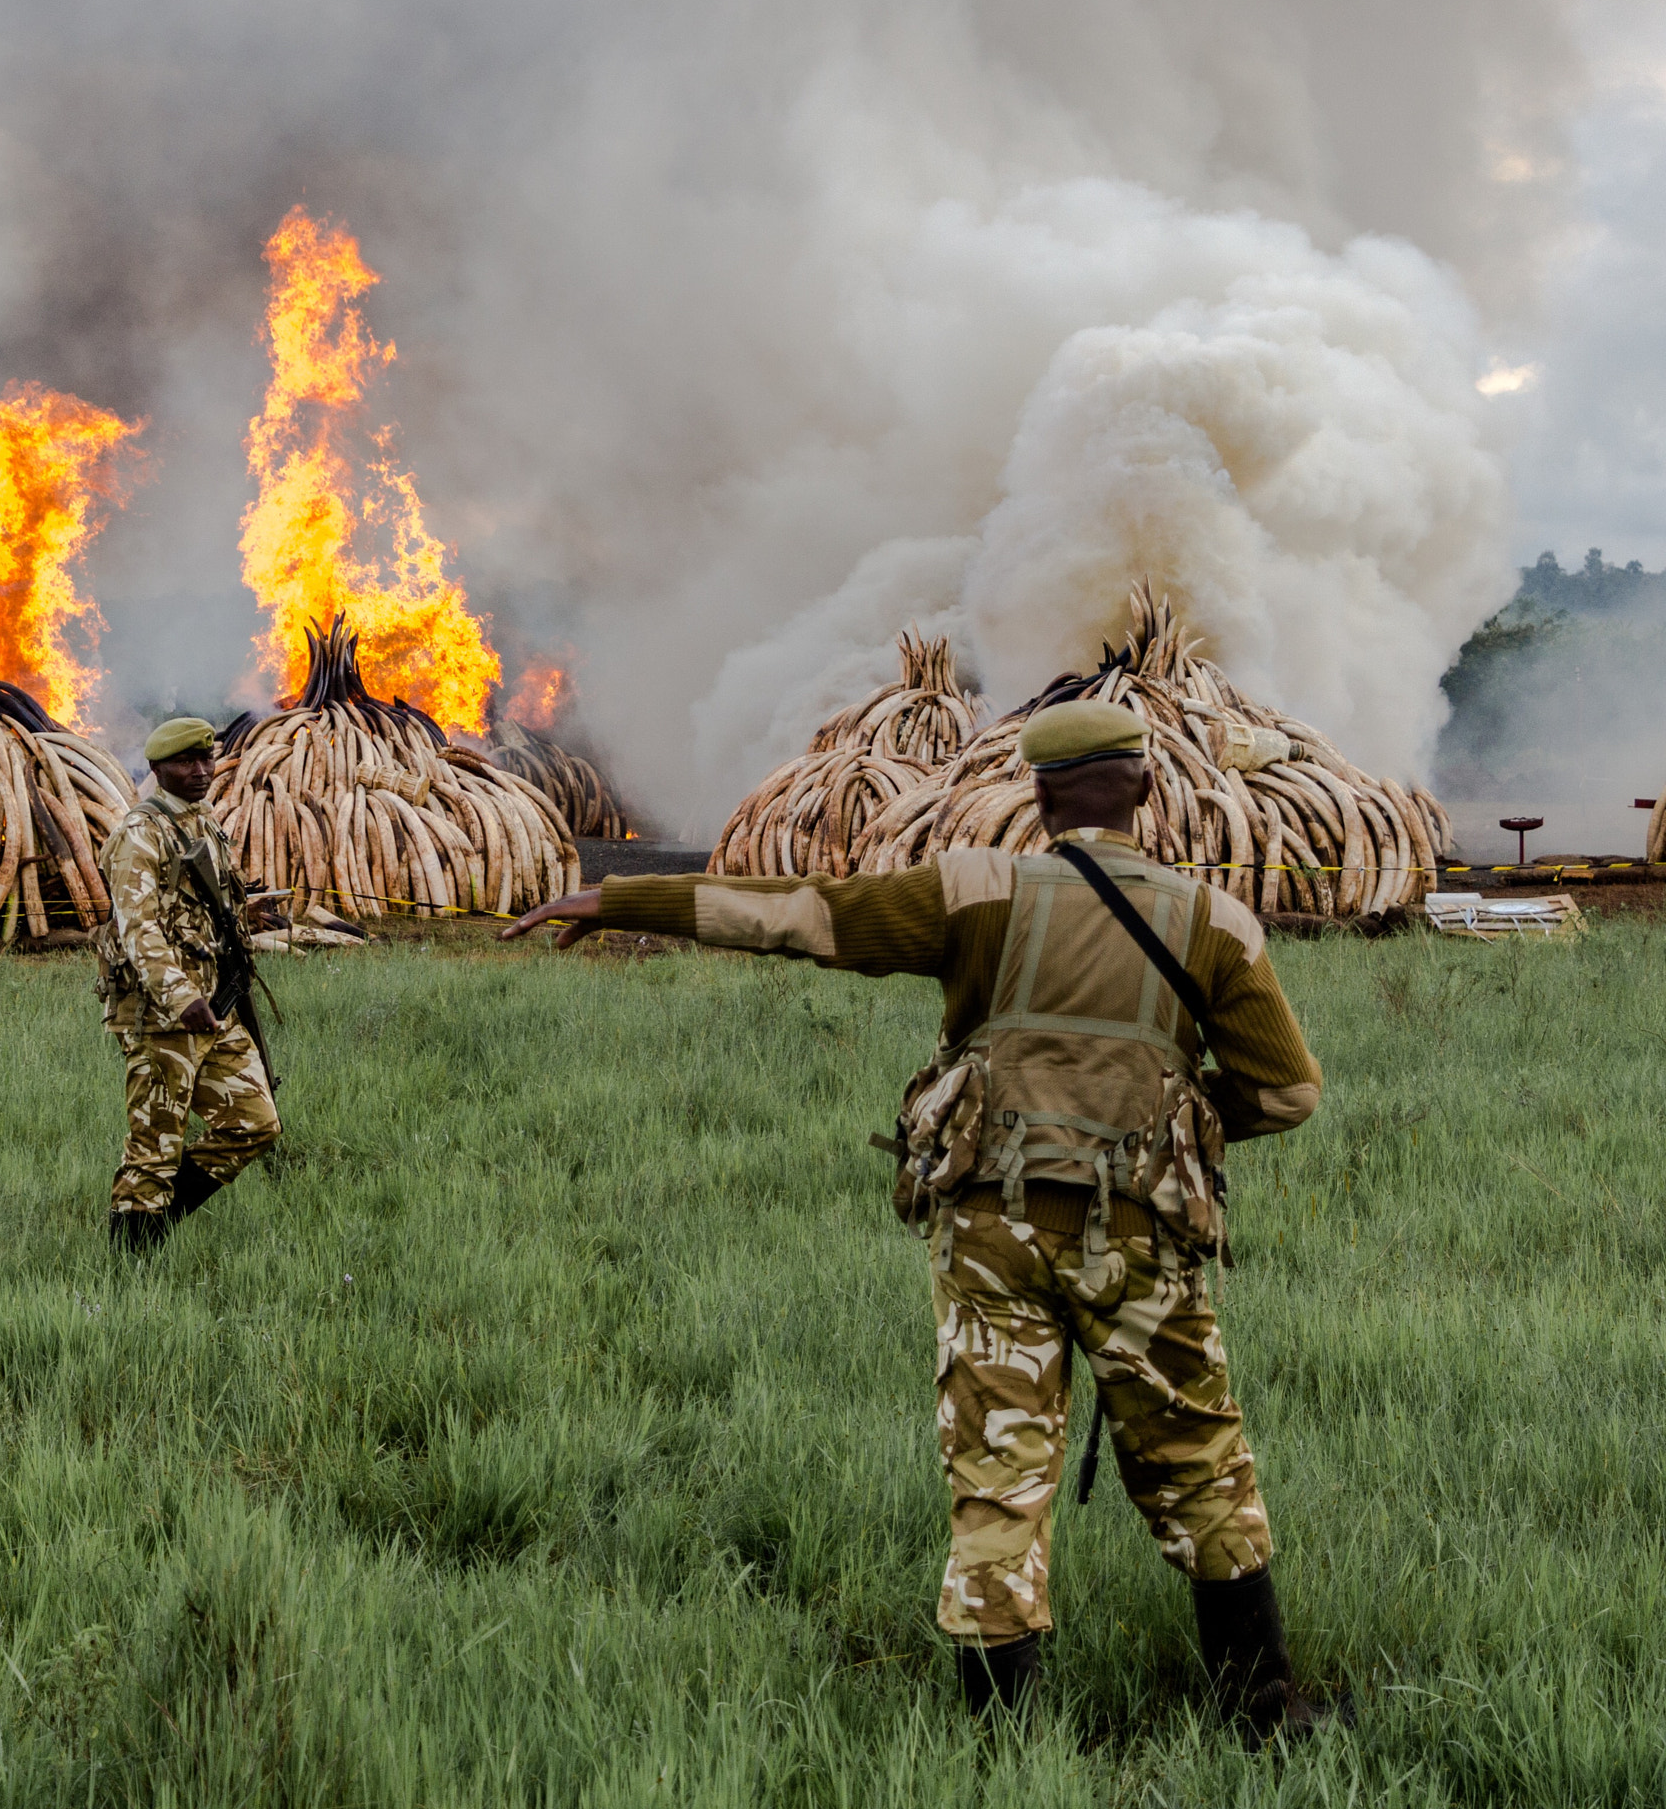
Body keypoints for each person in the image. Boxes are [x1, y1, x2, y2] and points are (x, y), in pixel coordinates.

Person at [502, 698, 1333, 1747]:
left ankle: (1002, 1741)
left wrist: (623, 897)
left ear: (1034, 795)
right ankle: (1259, 1710)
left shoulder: (971, 889)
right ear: (1147, 787)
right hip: (1137, 1234)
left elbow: (800, 914)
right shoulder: (1212, 920)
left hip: (987, 1223)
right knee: (1199, 1457)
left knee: (996, 1473)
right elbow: (1290, 1092)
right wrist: (1176, 1127)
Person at [94, 716, 284, 1253]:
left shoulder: (203, 820)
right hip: (162, 1016)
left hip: (215, 1006)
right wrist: (181, 997)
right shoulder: (141, 833)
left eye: (206, 759)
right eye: (185, 762)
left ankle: (157, 1226)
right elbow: (138, 927)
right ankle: (127, 1271)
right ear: (157, 769)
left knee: (255, 1122)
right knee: (154, 1146)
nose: (201, 771)